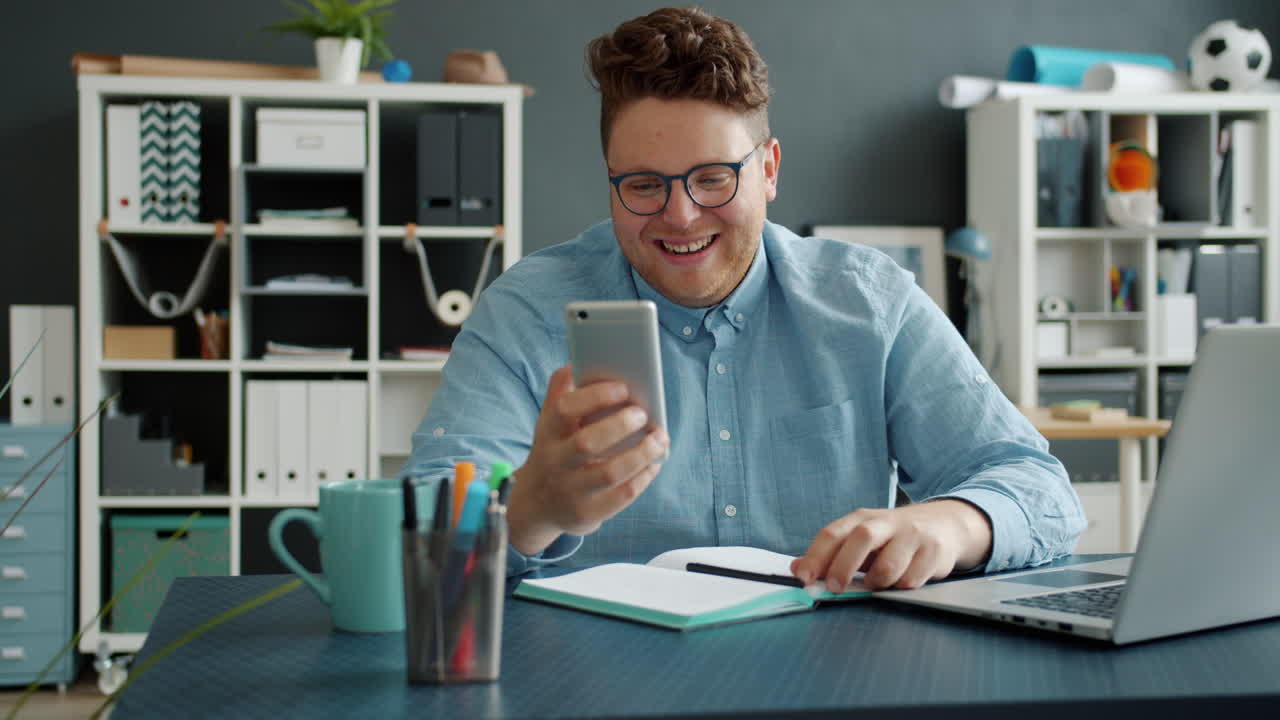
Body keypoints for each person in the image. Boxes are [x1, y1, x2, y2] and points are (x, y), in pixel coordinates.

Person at [403, 6, 1084, 591]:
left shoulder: (870, 302)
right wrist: (530, 509)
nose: (680, 216)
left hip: (829, 674)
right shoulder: (523, 311)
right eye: (643, 184)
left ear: (768, 170)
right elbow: (421, 531)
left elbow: (1040, 490)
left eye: (712, 178)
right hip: (591, 682)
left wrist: (950, 523)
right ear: (610, 182)